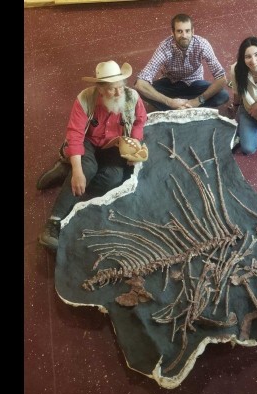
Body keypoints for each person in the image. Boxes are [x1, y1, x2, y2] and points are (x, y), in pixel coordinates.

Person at [38, 60, 148, 251]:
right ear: (101, 89)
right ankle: (53, 223)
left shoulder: (132, 97)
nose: (119, 93)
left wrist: (135, 142)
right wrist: (79, 170)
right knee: (86, 169)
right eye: (113, 89)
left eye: (121, 87)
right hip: (87, 142)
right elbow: (75, 134)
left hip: (113, 145)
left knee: (112, 178)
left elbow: (140, 121)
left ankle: (66, 170)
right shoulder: (85, 98)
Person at [134, 13, 229, 111]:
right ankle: (185, 107)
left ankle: (178, 108)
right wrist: (169, 102)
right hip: (171, 83)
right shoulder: (164, 48)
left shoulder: (202, 45)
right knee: (141, 91)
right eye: (179, 31)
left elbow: (222, 78)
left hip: (195, 83)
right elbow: (140, 83)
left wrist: (198, 100)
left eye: (187, 31)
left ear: (193, 31)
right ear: (172, 32)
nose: (184, 35)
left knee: (223, 95)